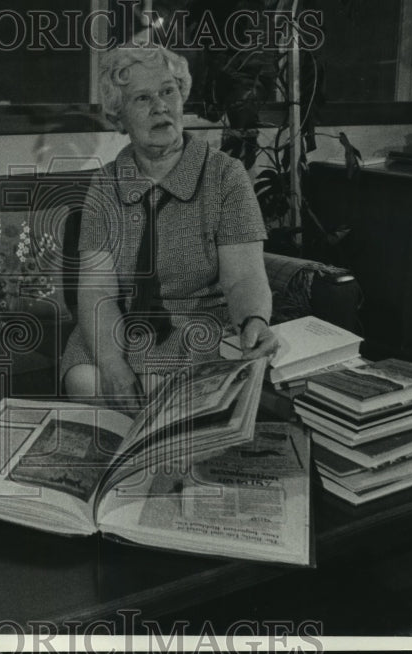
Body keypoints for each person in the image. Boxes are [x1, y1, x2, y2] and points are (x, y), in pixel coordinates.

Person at [60, 43, 279, 414]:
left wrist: (254, 318)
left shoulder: (226, 175)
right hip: (118, 322)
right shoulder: (105, 184)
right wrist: (114, 367)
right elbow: (97, 291)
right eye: (142, 98)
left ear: (182, 97)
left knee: (158, 389)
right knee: (87, 380)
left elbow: (243, 278)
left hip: (195, 320)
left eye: (168, 91)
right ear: (119, 117)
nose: (160, 106)